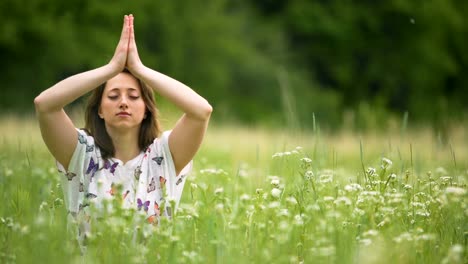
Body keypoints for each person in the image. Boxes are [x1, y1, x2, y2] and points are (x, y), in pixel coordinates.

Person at [34, 14, 212, 240]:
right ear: (100, 109)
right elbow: (45, 105)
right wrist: (111, 68)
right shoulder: (82, 154)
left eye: (134, 96)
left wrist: (139, 69)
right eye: (113, 95)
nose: (124, 102)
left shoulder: (164, 155)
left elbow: (201, 111)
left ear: (146, 108)